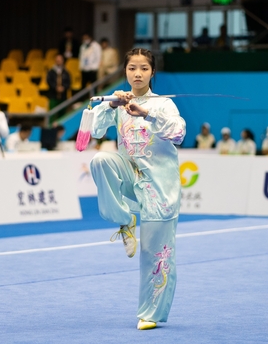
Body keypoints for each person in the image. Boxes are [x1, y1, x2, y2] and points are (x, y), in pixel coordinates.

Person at [89, 48, 186, 330]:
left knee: (155, 254)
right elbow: (94, 131)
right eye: (132, 68)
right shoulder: (118, 101)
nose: (138, 73)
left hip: (158, 188)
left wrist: (147, 114)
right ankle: (125, 219)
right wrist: (110, 106)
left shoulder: (164, 104)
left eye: (144, 68)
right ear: (126, 72)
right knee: (101, 160)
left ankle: (150, 313)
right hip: (131, 177)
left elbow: (179, 133)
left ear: (152, 72)